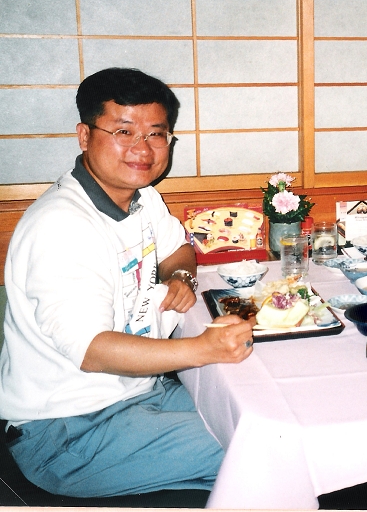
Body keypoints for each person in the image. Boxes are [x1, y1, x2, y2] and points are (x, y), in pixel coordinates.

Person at [0, 68, 256, 498]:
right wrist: (202, 349)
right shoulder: (62, 225)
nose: (142, 149)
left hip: (138, 396)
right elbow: (92, 351)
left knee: (265, 416)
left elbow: (180, 250)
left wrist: (179, 275)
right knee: (261, 449)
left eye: (157, 134)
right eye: (123, 131)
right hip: (67, 431)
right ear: (85, 136)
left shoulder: (143, 199)